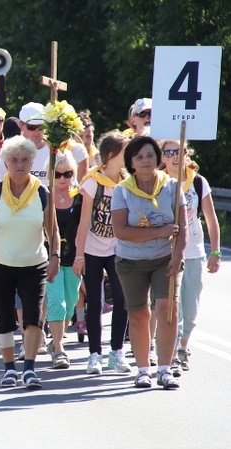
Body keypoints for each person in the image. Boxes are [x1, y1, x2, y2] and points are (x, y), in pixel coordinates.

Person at [0, 135, 60, 390]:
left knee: (33, 316)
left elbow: (52, 231)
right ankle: (9, 369)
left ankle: (29, 369)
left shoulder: (43, 193)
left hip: (33, 264)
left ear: (32, 161)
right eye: (14, 160)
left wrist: (55, 257)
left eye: (24, 159)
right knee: (4, 316)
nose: (19, 164)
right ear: (6, 163)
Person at [111, 135, 186, 389]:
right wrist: (158, 231)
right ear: (131, 162)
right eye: (139, 157)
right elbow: (121, 230)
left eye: (150, 156)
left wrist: (177, 256)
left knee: (167, 311)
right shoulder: (122, 191)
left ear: (158, 159)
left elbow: (182, 227)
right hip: (131, 261)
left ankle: (165, 369)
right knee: (139, 313)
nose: (145, 161)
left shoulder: (173, 187)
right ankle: (143, 369)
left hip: (166, 259)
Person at [159, 139, 221, 373]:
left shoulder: (198, 181)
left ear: (187, 154)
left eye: (180, 151)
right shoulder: (159, 182)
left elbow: (211, 219)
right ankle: (174, 352)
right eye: (169, 152)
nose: (175, 156)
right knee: (173, 307)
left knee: (191, 306)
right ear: (162, 157)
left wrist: (215, 251)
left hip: (194, 252)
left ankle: (184, 344)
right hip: (167, 253)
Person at [72, 131, 131, 374]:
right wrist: (78, 255)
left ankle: (116, 352)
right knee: (94, 301)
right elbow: (84, 221)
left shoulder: (127, 182)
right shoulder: (91, 182)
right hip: (92, 250)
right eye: (124, 152)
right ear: (110, 155)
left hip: (118, 250)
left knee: (122, 298)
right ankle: (94, 354)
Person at [44, 153, 82, 369]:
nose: (62, 179)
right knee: (56, 302)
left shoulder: (80, 197)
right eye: (57, 174)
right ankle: (59, 349)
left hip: (74, 258)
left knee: (69, 305)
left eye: (67, 173)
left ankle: (56, 340)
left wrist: (82, 256)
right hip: (51, 257)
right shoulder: (44, 196)